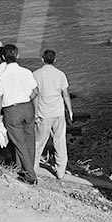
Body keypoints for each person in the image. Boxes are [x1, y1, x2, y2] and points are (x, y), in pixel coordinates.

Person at [0, 44, 39, 183]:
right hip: (27, 107)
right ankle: (25, 169)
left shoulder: (0, 77)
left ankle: (31, 175)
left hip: (12, 110)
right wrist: (26, 100)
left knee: (19, 144)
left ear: (2, 57)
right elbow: (36, 92)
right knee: (30, 141)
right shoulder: (27, 72)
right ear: (17, 55)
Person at [33, 49, 73, 179]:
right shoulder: (60, 74)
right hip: (58, 111)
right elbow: (65, 94)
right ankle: (60, 170)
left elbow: (35, 95)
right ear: (54, 60)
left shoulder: (36, 74)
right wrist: (70, 110)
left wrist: (34, 113)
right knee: (59, 139)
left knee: (39, 140)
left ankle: (34, 165)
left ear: (42, 59)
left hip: (43, 111)